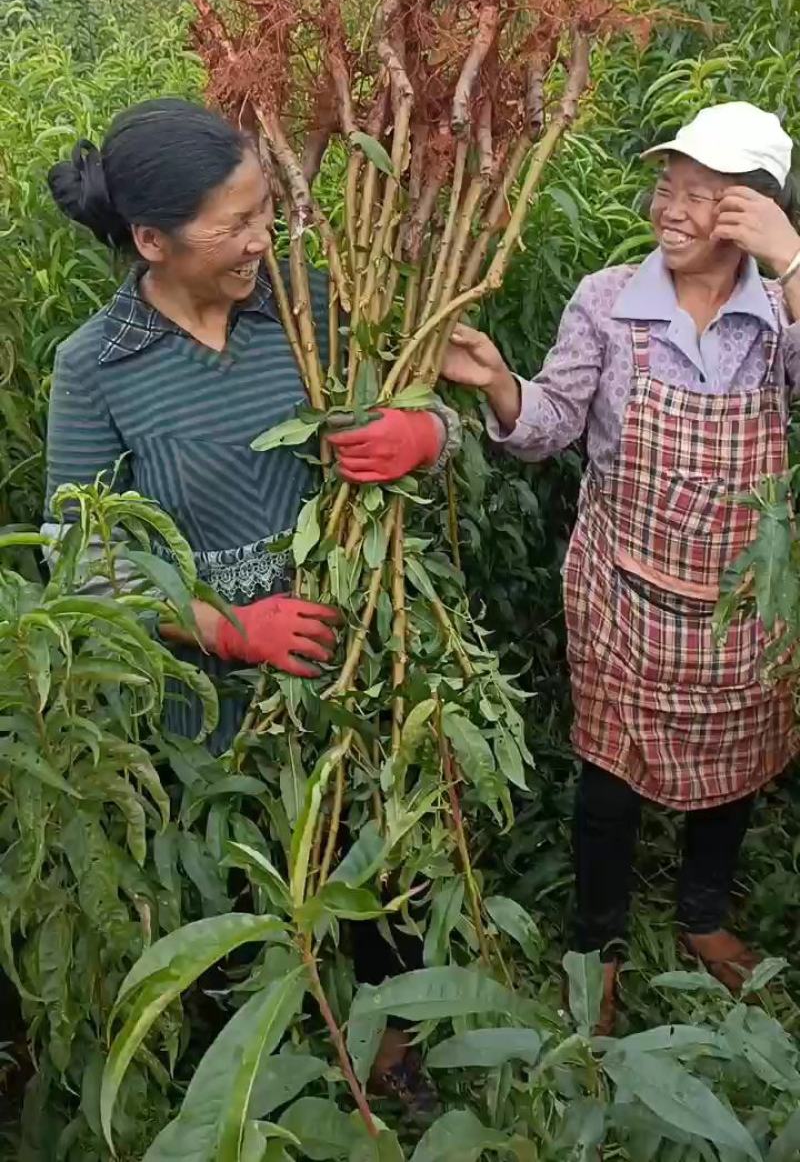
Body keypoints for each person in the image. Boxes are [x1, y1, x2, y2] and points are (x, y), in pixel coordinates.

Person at [44, 98, 459, 1098]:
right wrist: (225, 627)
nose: (260, 239)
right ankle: (272, 1061)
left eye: (264, 212)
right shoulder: (97, 368)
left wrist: (425, 433)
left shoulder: (310, 303)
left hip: (345, 651)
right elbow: (77, 561)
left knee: (374, 840)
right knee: (246, 865)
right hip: (207, 698)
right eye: (233, 225)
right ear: (152, 240)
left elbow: (429, 397)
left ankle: (392, 1044)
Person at [441, 101, 800, 1032]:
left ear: (755, 211)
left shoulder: (779, 313)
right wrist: (496, 382)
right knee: (610, 780)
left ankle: (705, 918)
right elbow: (551, 426)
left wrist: (790, 261)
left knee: (738, 763)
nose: (670, 211)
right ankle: (596, 942)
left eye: (702, 197)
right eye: (666, 189)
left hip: (742, 603)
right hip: (624, 587)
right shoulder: (608, 300)